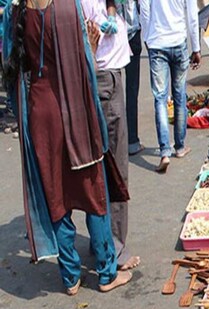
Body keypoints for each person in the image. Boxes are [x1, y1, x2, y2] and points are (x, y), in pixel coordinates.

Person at [2, 0, 131, 294]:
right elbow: (85, 65)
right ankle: (107, 273)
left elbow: (13, 73)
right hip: (74, 109)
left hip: (39, 113)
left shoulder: (16, 10)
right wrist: (94, 48)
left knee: (55, 194)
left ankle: (70, 276)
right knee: (94, 190)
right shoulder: (67, 7)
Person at [82, 0, 140, 272]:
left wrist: (112, 13)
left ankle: (103, 240)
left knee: (108, 165)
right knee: (113, 168)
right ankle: (113, 246)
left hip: (113, 70)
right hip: (103, 74)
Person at [139, 0, 201, 173]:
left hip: (157, 43)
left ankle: (165, 152)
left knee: (160, 98)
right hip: (178, 41)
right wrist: (196, 48)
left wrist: (147, 36)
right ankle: (180, 147)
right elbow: (192, 16)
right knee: (179, 96)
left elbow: (144, 10)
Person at [121, 0, 144, 156]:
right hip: (131, 32)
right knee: (131, 89)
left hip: (111, 35)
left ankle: (112, 141)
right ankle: (132, 142)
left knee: (110, 91)